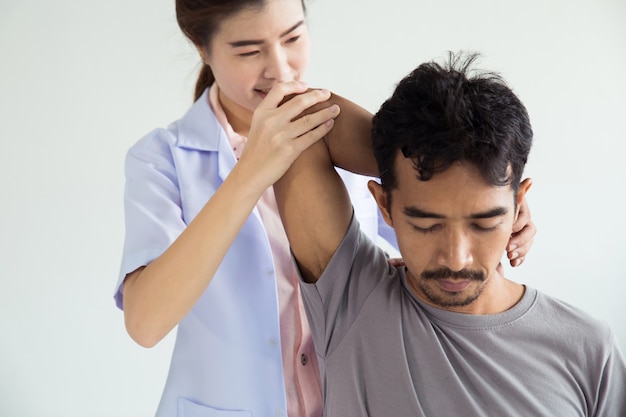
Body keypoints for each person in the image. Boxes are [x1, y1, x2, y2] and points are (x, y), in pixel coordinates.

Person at [114, 0, 536, 415]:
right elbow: (146, 323)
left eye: (293, 36)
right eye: (249, 50)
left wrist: (500, 211)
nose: (280, 69)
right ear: (202, 47)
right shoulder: (161, 158)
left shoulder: (334, 130)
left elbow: (436, 200)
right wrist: (251, 173)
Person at [274, 52, 626, 416]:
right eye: (426, 224)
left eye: (484, 222)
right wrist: (411, 166)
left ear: (519, 204)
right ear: (384, 206)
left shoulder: (589, 350)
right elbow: (296, 114)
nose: (456, 258)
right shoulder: (351, 300)